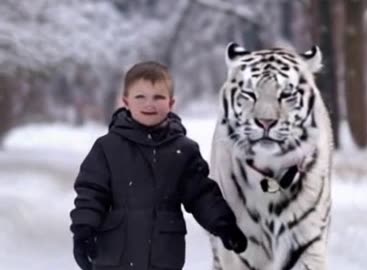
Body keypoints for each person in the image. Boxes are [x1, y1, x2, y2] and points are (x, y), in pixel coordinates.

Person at [70, 61, 247, 270]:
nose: (149, 104)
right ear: (126, 102)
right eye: (140, 97)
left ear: (171, 103)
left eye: (158, 97)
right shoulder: (107, 147)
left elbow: (201, 195)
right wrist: (84, 230)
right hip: (114, 255)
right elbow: (91, 192)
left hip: (162, 255)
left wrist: (224, 225)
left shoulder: (183, 151)